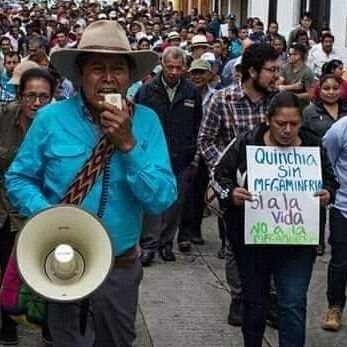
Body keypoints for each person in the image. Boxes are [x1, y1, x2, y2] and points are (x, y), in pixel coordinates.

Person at [5, 20, 177, 347]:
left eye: (118, 69)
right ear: (80, 76)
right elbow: (17, 178)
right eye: (98, 68)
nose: (109, 78)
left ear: (131, 77)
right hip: (62, 260)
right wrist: (51, 218)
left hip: (119, 268)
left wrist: (128, 145)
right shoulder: (51, 119)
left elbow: (162, 198)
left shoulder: (147, 121)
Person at [213, 91, 338, 347]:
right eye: (281, 123)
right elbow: (219, 176)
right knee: (254, 303)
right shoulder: (247, 143)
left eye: (294, 123)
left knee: (292, 304)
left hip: (297, 243)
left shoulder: (313, 145)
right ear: (269, 120)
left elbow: (330, 180)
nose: (288, 130)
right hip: (254, 243)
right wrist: (231, 194)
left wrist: (328, 193)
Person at [198, 43, 279, 326]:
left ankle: (268, 298)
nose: (276, 76)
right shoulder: (222, 100)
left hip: (271, 188)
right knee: (235, 244)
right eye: (271, 70)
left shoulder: (277, 100)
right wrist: (225, 170)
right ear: (252, 71)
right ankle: (240, 297)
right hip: (235, 188)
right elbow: (205, 140)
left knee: (270, 241)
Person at [0, 67, 55, 345]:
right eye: (30, 95)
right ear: (20, 97)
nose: (36, 102)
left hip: (41, 211)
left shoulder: (57, 125)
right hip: (4, 210)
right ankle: (7, 327)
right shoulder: (4, 116)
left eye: (43, 97)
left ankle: (48, 327)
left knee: (45, 270)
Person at [135, 46, 202, 265]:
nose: (174, 72)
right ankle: (149, 245)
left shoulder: (192, 91)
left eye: (178, 67)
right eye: (170, 67)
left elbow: (196, 124)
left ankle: (166, 243)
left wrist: (192, 154)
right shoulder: (146, 91)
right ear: (162, 66)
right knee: (152, 202)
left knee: (174, 202)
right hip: (152, 156)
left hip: (181, 156)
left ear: (185, 68)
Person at [277, 43, 314, 108]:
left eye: (292, 54)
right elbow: (277, 86)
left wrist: (294, 96)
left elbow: (310, 94)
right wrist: (293, 86)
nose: (289, 56)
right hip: (285, 105)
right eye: (289, 54)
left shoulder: (307, 72)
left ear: (299, 56)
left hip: (301, 106)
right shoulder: (286, 67)